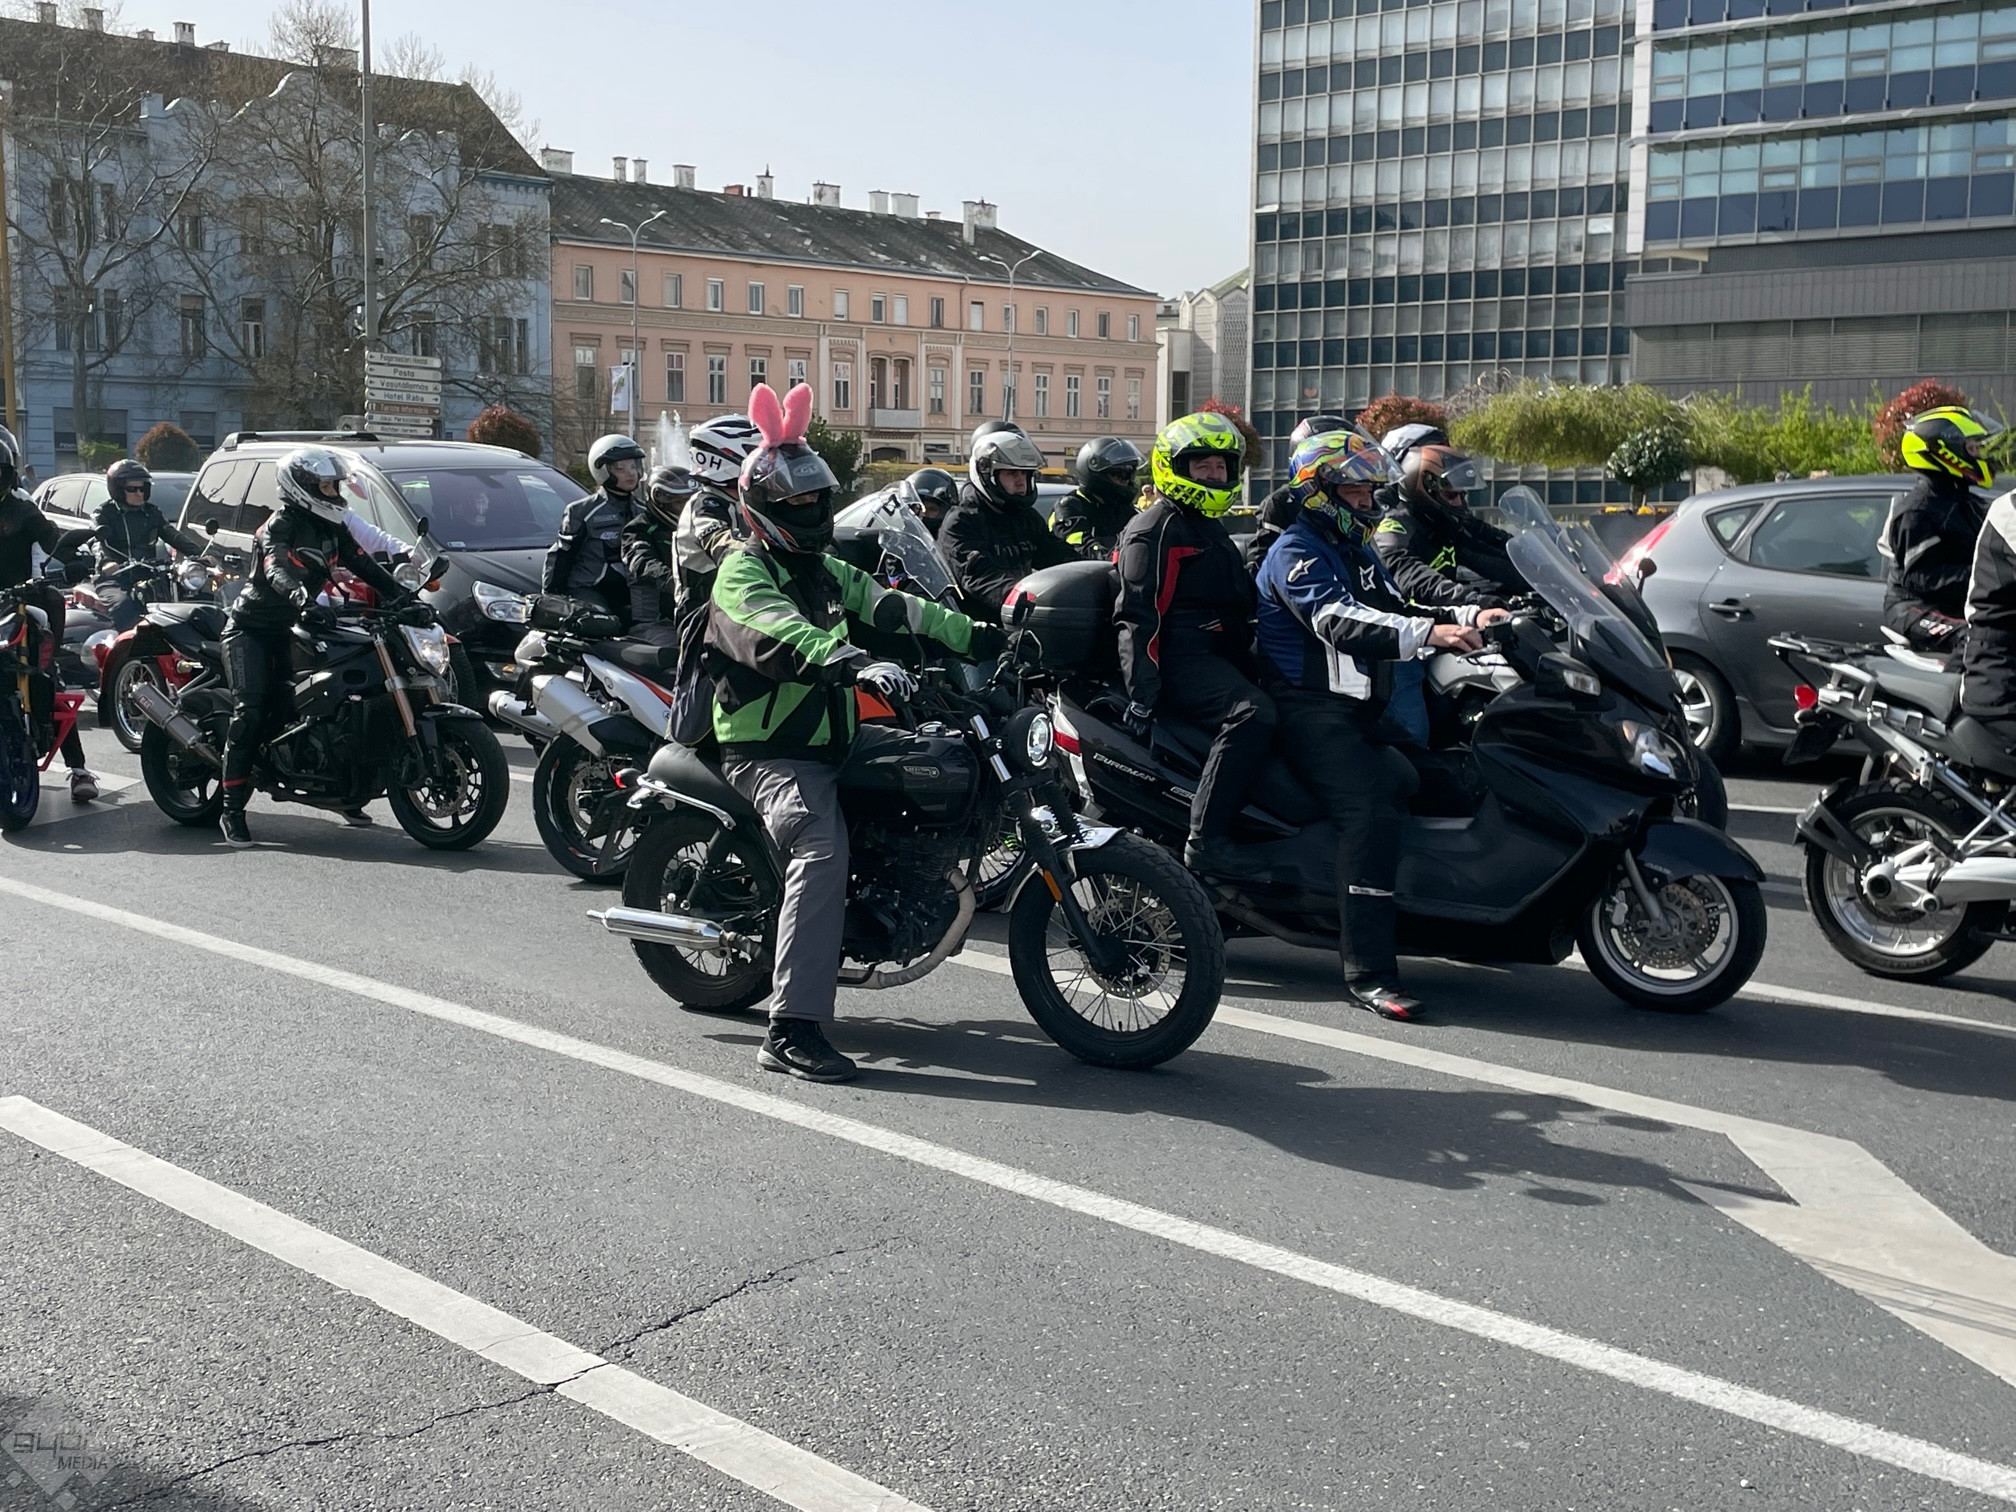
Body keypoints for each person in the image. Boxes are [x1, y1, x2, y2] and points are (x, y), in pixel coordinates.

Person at [707, 384, 1005, 1083]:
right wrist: (848, 660)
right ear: (765, 508)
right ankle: (791, 1028)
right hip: (772, 751)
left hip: (837, 737)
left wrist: (984, 635)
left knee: (940, 761)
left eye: (819, 498)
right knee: (820, 849)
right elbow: (780, 631)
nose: (813, 510)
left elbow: (898, 607)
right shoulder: (743, 572)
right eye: (798, 502)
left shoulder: (824, 569)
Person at [1255, 429, 1496, 1021]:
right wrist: (1432, 634)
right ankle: (1369, 973)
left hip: (1361, 711)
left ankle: (1442, 922)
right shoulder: (1295, 552)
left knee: (1451, 784)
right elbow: (1338, 620)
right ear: (1319, 492)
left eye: (1370, 492)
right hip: (1310, 713)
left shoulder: (1355, 549)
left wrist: (1473, 613)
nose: (1368, 502)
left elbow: (1398, 605)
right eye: (1356, 493)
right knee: (1370, 815)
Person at [218, 446, 406, 847]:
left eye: (336, 485)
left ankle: (341, 790)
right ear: (302, 487)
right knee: (250, 713)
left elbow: (365, 565)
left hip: (298, 625)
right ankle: (231, 809)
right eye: (327, 486)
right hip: (253, 629)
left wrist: (407, 599)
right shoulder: (279, 526)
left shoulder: (331, 527)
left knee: (336, 701)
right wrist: (302, 599)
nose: (335, 493)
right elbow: (276, 568)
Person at [1114, 411, 1274, 878]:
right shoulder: (1156, 528)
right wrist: (1142, 695)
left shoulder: (1207, 524)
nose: (1214, 474)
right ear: (1175, 467)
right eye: (1202, 465)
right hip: (1182, 659)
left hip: (1224, 651)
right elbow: (1139, 616)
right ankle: (1206, 839)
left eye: (1221, 466)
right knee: (1253, 713)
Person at [0, 426, 98, 801]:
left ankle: (79, 769)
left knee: (46, 676)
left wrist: (72, 559)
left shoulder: (22, 509)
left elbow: (52, 538)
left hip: (17, 602)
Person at [1883, 406, 2002, 654]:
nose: (1979, 454)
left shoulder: (1965, 502)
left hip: (1956, 605)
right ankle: (1960, 682)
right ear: (1946, 452)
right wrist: (1984, 576)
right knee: (1978, 641)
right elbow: (1922, 578)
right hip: (1914, 607)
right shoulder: (1917, 511)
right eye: (1972, 448)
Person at [938, 427, 1076, 622]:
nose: (1021, 482)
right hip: (979, 628)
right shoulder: (961, 521)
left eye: (1025, 473)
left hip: (1022, 622)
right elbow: (977, 575)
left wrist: (1100, 570)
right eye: (1012, 473)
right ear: (987, 474)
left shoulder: (1027, 518)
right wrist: (1020, 596)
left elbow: (1058, 557)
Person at [1373, 443, 1524, 609]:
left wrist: (1530, 576)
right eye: (1451, 495)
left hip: (1444, 615)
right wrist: (1473, 600)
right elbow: (1413, 576)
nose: (1459, 503)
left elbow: (1483, 556)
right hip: (1411, 618)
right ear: (1425, 490)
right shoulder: (1394, 529)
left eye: (1462, 495)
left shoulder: (1440, 526)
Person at [1241, 413, 1361, 572]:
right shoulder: (1281, 503)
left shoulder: (1358, 497)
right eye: (1335, 462)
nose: (1346, 471)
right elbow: (1263, 566)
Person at [671, 414, 762, 619]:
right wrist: (767, 556)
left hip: (739, 608)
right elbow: (721, 543)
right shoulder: (704, 505)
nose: (765, 460)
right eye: (757, 452)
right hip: (703, 617)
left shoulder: (745, 501)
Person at [543, 433, 645, 612]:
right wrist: (551, 597)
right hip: (588, 588)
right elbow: (562, 557)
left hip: (630, 589)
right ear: (602, 470)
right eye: (620, 468)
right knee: (601, 620)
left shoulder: (644, 512)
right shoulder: (582, 511)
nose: (630, 473)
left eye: (633, 466)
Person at [621, 464, 699, 645]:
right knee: (682, 652)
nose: (687, 509)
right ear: (662, 501)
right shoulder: (638, 529)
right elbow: (641, 562)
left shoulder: (696, 528)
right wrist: (675, 581)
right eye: (680, 503)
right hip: (655, 623)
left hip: (693, 613)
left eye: (690, 503)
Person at [93, 458, 205, 564]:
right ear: (117, 490)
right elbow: (96, 543)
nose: (139, 494)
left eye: (142, 489)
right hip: (115, 573)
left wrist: (200, 554)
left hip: (149, 571)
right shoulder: (104, 514)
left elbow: (172, 535)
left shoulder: (151, 512)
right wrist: (106, 562)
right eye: (132, 489)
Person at [1050, 437, 1146, 557]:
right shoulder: (1070, 507)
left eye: (1129, 474)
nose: (1125, 481)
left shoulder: (1125, 509)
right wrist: (1114, 558)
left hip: (1122, 569)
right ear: (1097, 474)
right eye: (1118, 474)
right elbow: (1080, 546)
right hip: (1085, 569)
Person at [899, 467, 959, 536]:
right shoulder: (898, 537)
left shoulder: (951, 541)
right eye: (918, 507)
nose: (924, 513)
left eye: (932, 509)